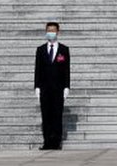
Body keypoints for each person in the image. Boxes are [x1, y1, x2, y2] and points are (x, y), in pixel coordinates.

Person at [34, 22, 70, 150]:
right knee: (46, 115)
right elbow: (37, 69)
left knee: (57, 115)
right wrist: (37, 87)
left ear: (58, 32)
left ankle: (56, 142)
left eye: (53, 30)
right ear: (46, 31)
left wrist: (66, 87)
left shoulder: (64, 49)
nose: (51, 32)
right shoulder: (41, 49)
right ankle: (47, 142)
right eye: (49, 30)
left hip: (58, 88)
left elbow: (66, 70)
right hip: (45, 88)